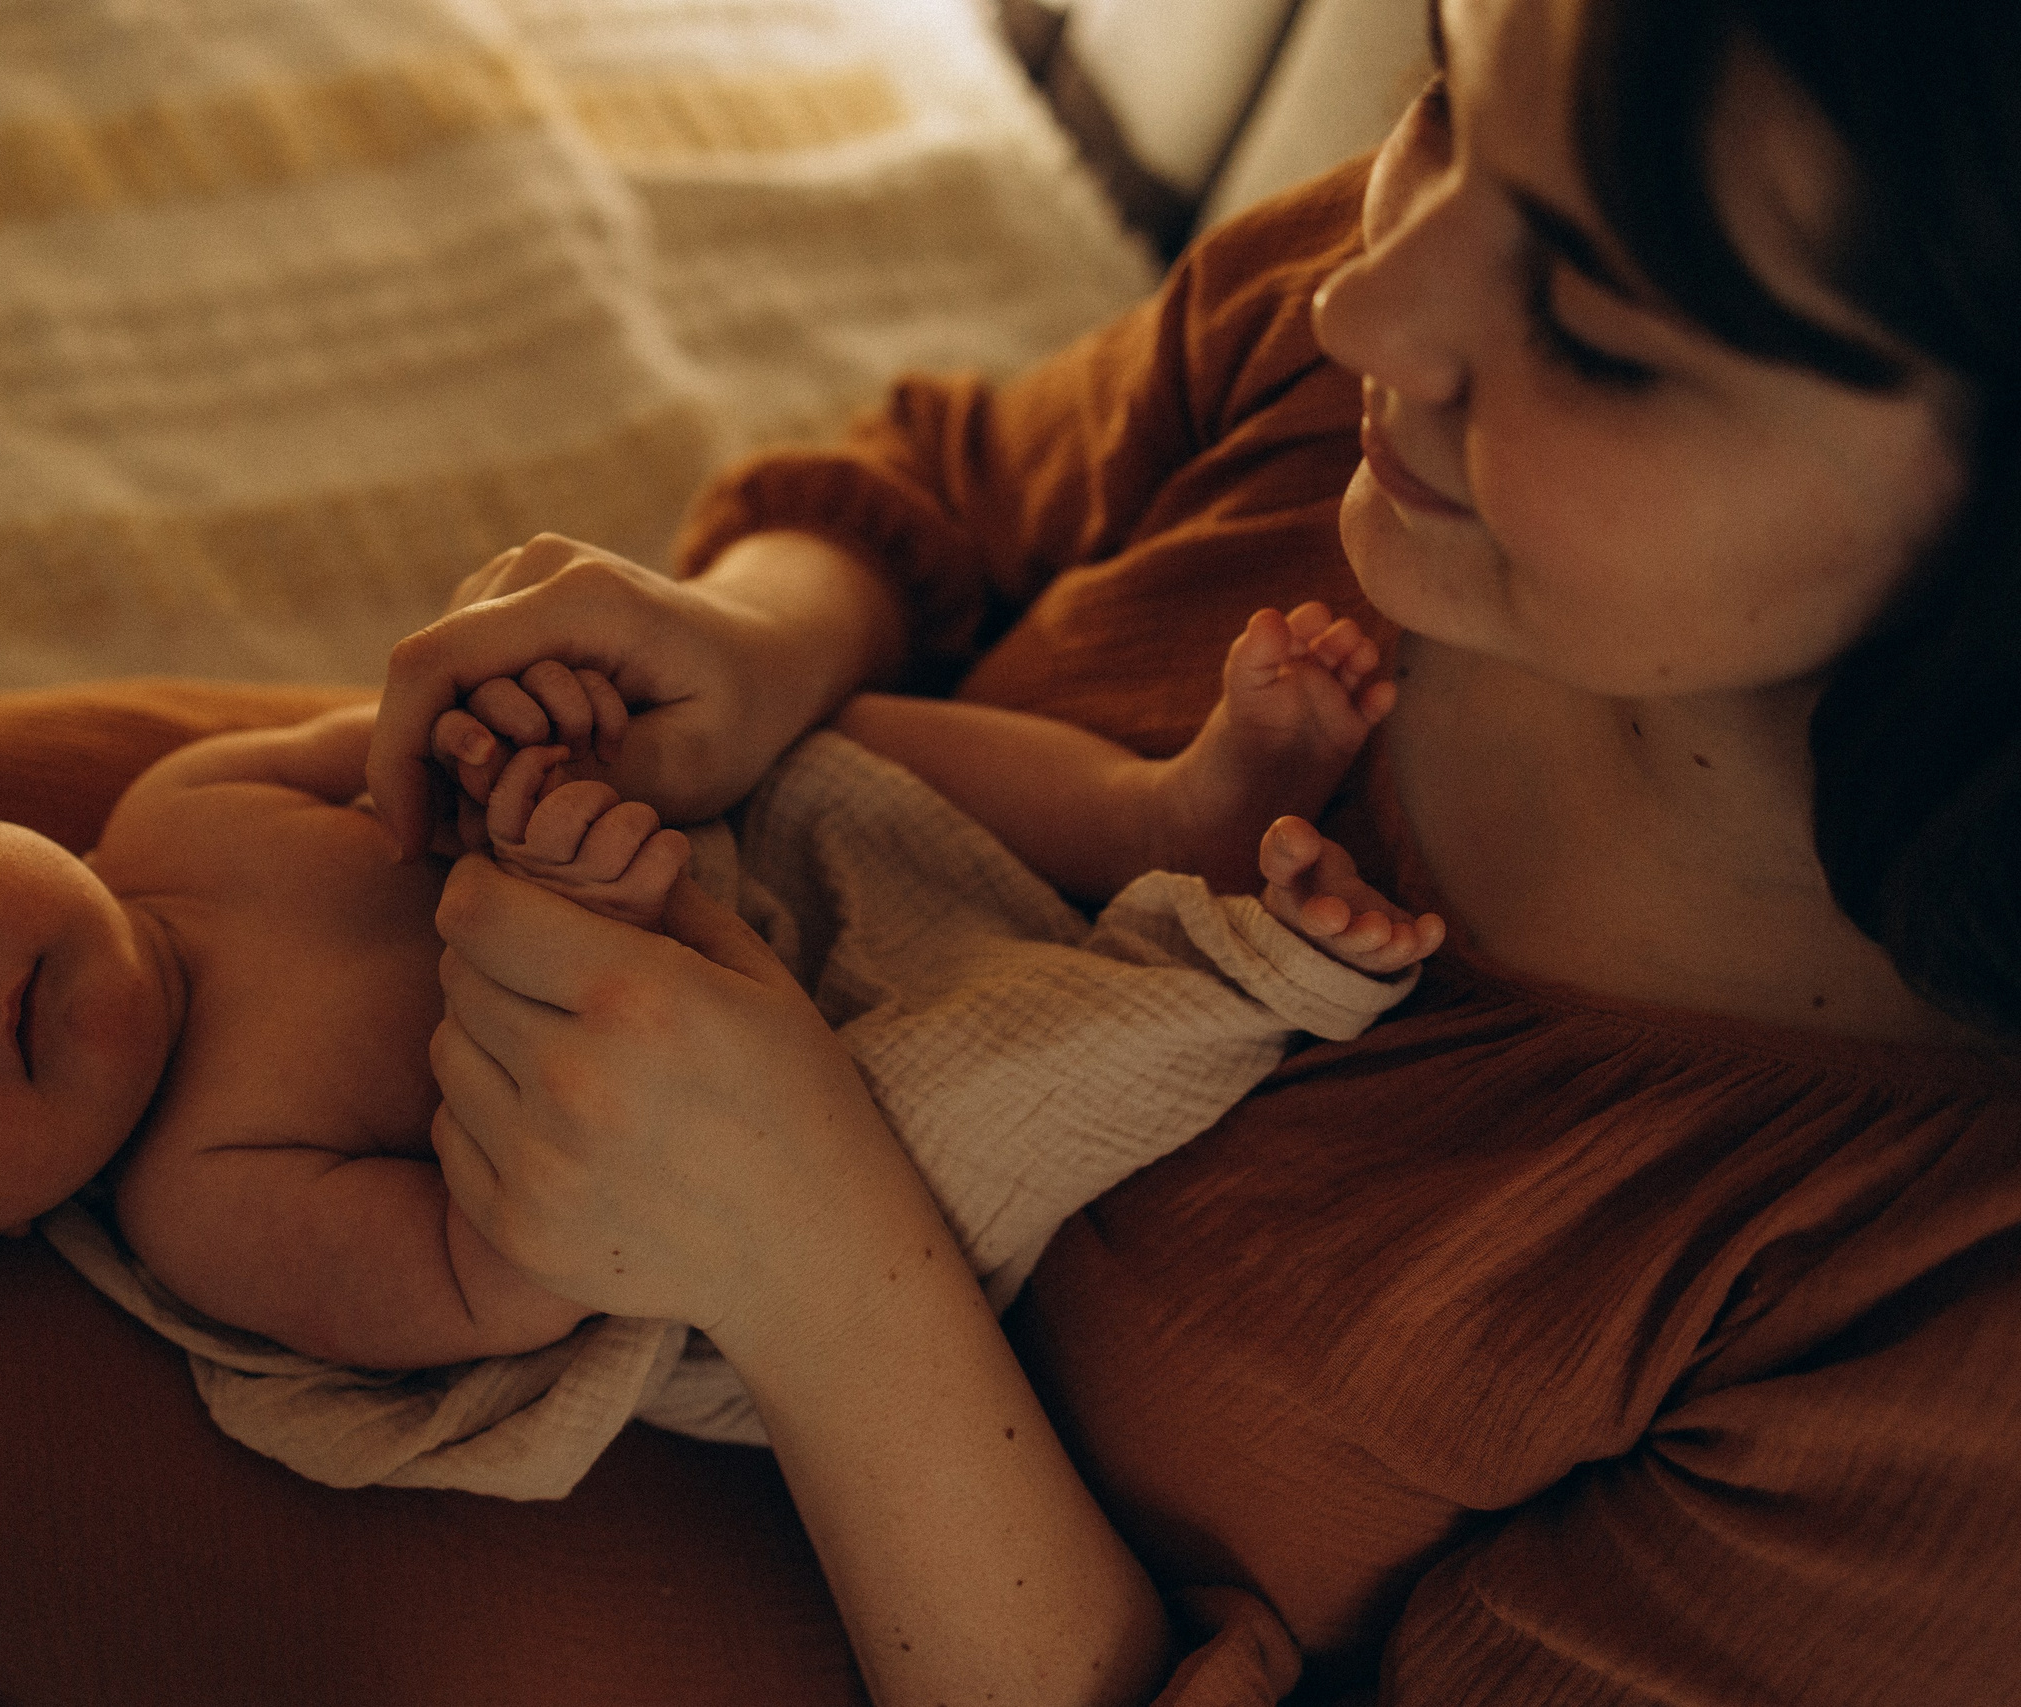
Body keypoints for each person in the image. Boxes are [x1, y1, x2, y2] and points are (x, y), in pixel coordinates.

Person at [364, 0, 2021, 1702]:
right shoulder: (1381, 374)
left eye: (1596, 330)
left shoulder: (1929, 1322)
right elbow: (955, 492)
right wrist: (760, 645)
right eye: (1442, 99)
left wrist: (815, 1261)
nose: (1360, 299)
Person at [0, 600, 1431, 1382]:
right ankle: (1215, 973)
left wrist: (530, 737)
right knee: (950, 1125)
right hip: (769, 1114)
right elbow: (503, 1277)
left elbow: (409, 760)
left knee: (818, 751)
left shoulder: (180, 803)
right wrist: (569, 929)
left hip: (760, 876)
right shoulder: (212, 1199)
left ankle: (1171, 808)